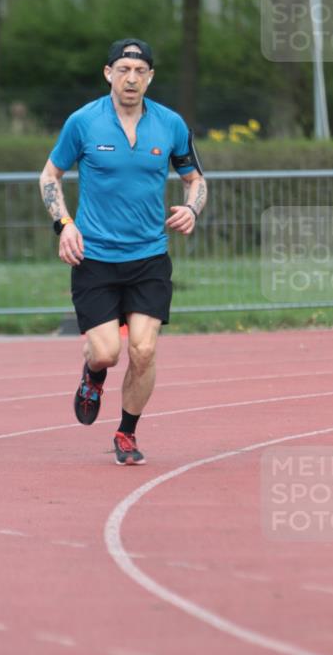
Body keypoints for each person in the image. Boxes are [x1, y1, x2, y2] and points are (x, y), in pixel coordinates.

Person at [39, 38, 207, 465]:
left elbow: (196, 180)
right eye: (123, 69)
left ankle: (127, 433)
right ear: (108, 73)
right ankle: (93, 375)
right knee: (106, 352)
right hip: (94, 258)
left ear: (150, 78)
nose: (131, 78)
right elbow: (49, 176)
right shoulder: (83, 122)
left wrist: (191, 208)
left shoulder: (170, 124)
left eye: (140, 71)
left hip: (149, 257)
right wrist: (65, 225)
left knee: (145, 350)